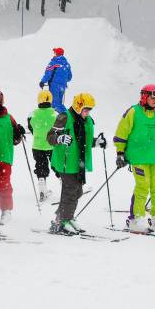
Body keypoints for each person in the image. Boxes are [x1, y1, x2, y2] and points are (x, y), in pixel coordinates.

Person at [114, 84, 155, 233]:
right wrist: (120, 153)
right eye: (152, 97)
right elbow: (122, 132)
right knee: (143, 186)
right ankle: (136, 219)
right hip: (138, 156)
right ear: (144, 97)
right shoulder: (133, 112)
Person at [48, 93, 102, 234]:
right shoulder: (64, 117)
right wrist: (60, 138)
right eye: (85, 109)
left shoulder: (86, 120)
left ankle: (66, 217)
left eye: (89, 110)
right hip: (65, 161)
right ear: (78, 106)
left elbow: (84, 141)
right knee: (70, 191)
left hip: (78, 162)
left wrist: (97, 142)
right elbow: (50, 137)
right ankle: (61, 221)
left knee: (77, 191)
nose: (87, 113)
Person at [0, 88, 25, 225]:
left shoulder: (9, 118)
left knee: (5, 184)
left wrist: (19, 133)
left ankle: (6, 210)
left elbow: (15, 140)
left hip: (5, 156)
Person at [28, 89, 58, 202]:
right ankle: (64, 186)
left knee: (40, 166)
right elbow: (60, 129)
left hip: (37, 146)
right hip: (52, 145)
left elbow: (31, 128)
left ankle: (42, 188)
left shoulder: (32, 114)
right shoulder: (55, 114)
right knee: (57, 165)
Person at [39, 47, 72, 113]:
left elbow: (48, 74)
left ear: (56, 54)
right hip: (62, 87)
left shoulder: (53, 63)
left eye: (55, 52)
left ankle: (67, 117)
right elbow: (69, 77)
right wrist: (62, 80)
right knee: (59, 103)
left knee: (54, 104)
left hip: (54, 86)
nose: (54, 54)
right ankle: (64, 117)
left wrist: (43, 81)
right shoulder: (67, 64)